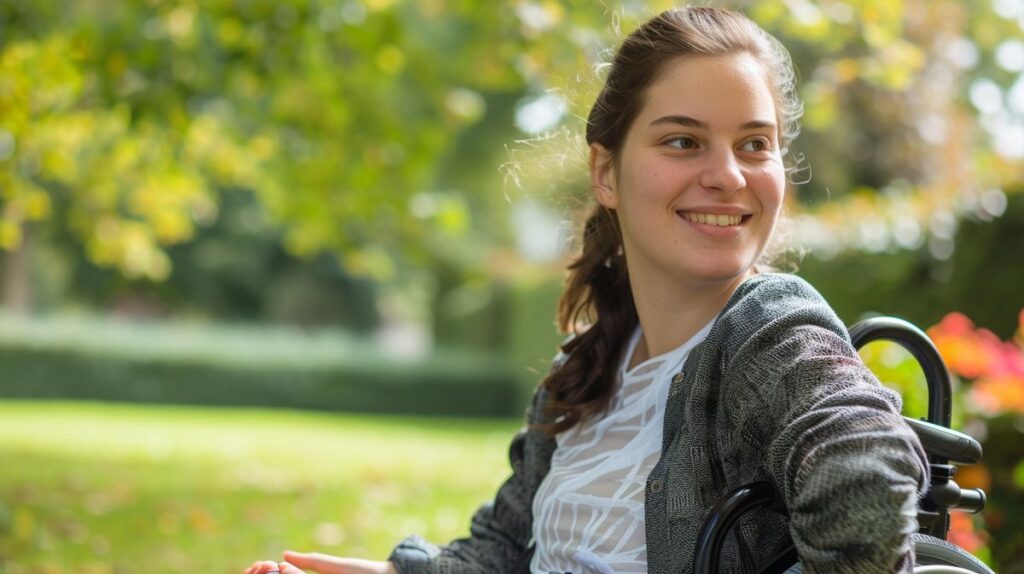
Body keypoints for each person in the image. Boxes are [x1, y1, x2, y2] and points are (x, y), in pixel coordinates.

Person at [245, 6, 929, 574]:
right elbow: (504, 553)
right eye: (684, 142)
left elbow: (866, 479)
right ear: (606, 172)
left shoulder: (771, 335)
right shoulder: (587, 367)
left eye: (754, 144)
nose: (729, 174)